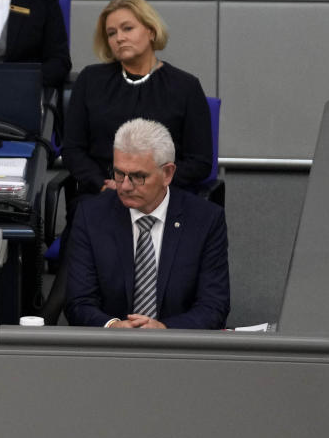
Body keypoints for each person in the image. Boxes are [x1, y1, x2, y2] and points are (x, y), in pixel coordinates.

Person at [65, 118, 230, 329]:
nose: (124, 186)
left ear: (167, 173)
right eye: (118, 173)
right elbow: (78, 302)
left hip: (178, 351)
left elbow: (214, 306)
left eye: (137, 176)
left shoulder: (206, 220)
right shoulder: (91, 215)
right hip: (110, 350)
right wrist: (112, 326)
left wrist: (165, 330)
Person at [63, 0, 212, 195]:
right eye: (111, 33)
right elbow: (73, 150)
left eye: (128, 28)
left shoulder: (185, 86)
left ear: (151, 31)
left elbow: (200, 162)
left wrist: (149, 185)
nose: (119, 38)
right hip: (103, 194)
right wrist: (102, 184)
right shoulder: (90, 80)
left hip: (162, 197)